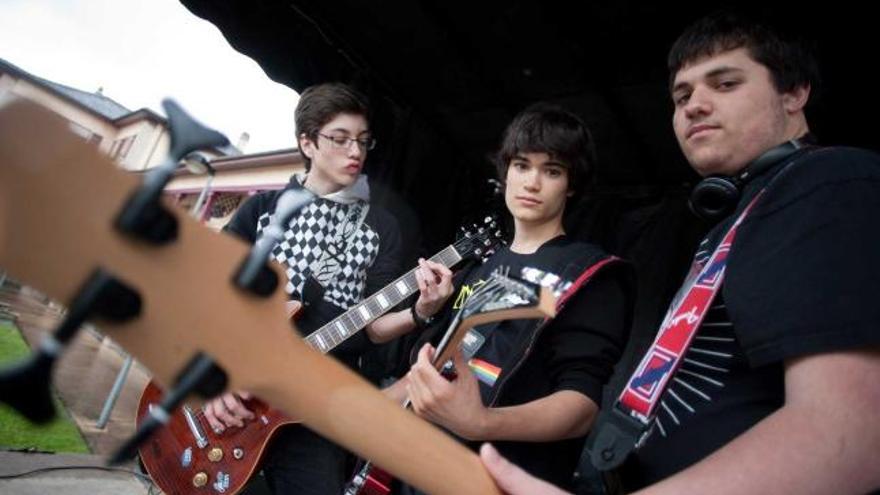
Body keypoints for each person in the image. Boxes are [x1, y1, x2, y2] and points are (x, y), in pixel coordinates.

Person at [480, 12, 880, 495]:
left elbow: (850, 435)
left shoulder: (829, 181)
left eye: (725, 83)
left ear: (794, 94)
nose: (694, 106)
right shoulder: (737, 215)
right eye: (682, 95)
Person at [204, 82, 453, 495]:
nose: (355, 152)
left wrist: (421, 311)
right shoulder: (262, 212)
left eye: (362, 141)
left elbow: (373, 328)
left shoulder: (381, 229)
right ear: (307, 143)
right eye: (339, 140)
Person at [388, 103, 634, 491]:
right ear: (505, 173)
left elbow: (581, 404)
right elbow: (431, 370)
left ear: (570, 185)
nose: (532, 183)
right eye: (521, 165)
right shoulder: (482, 266)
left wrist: (482, 422)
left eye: (551, 170)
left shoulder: (585, 272)